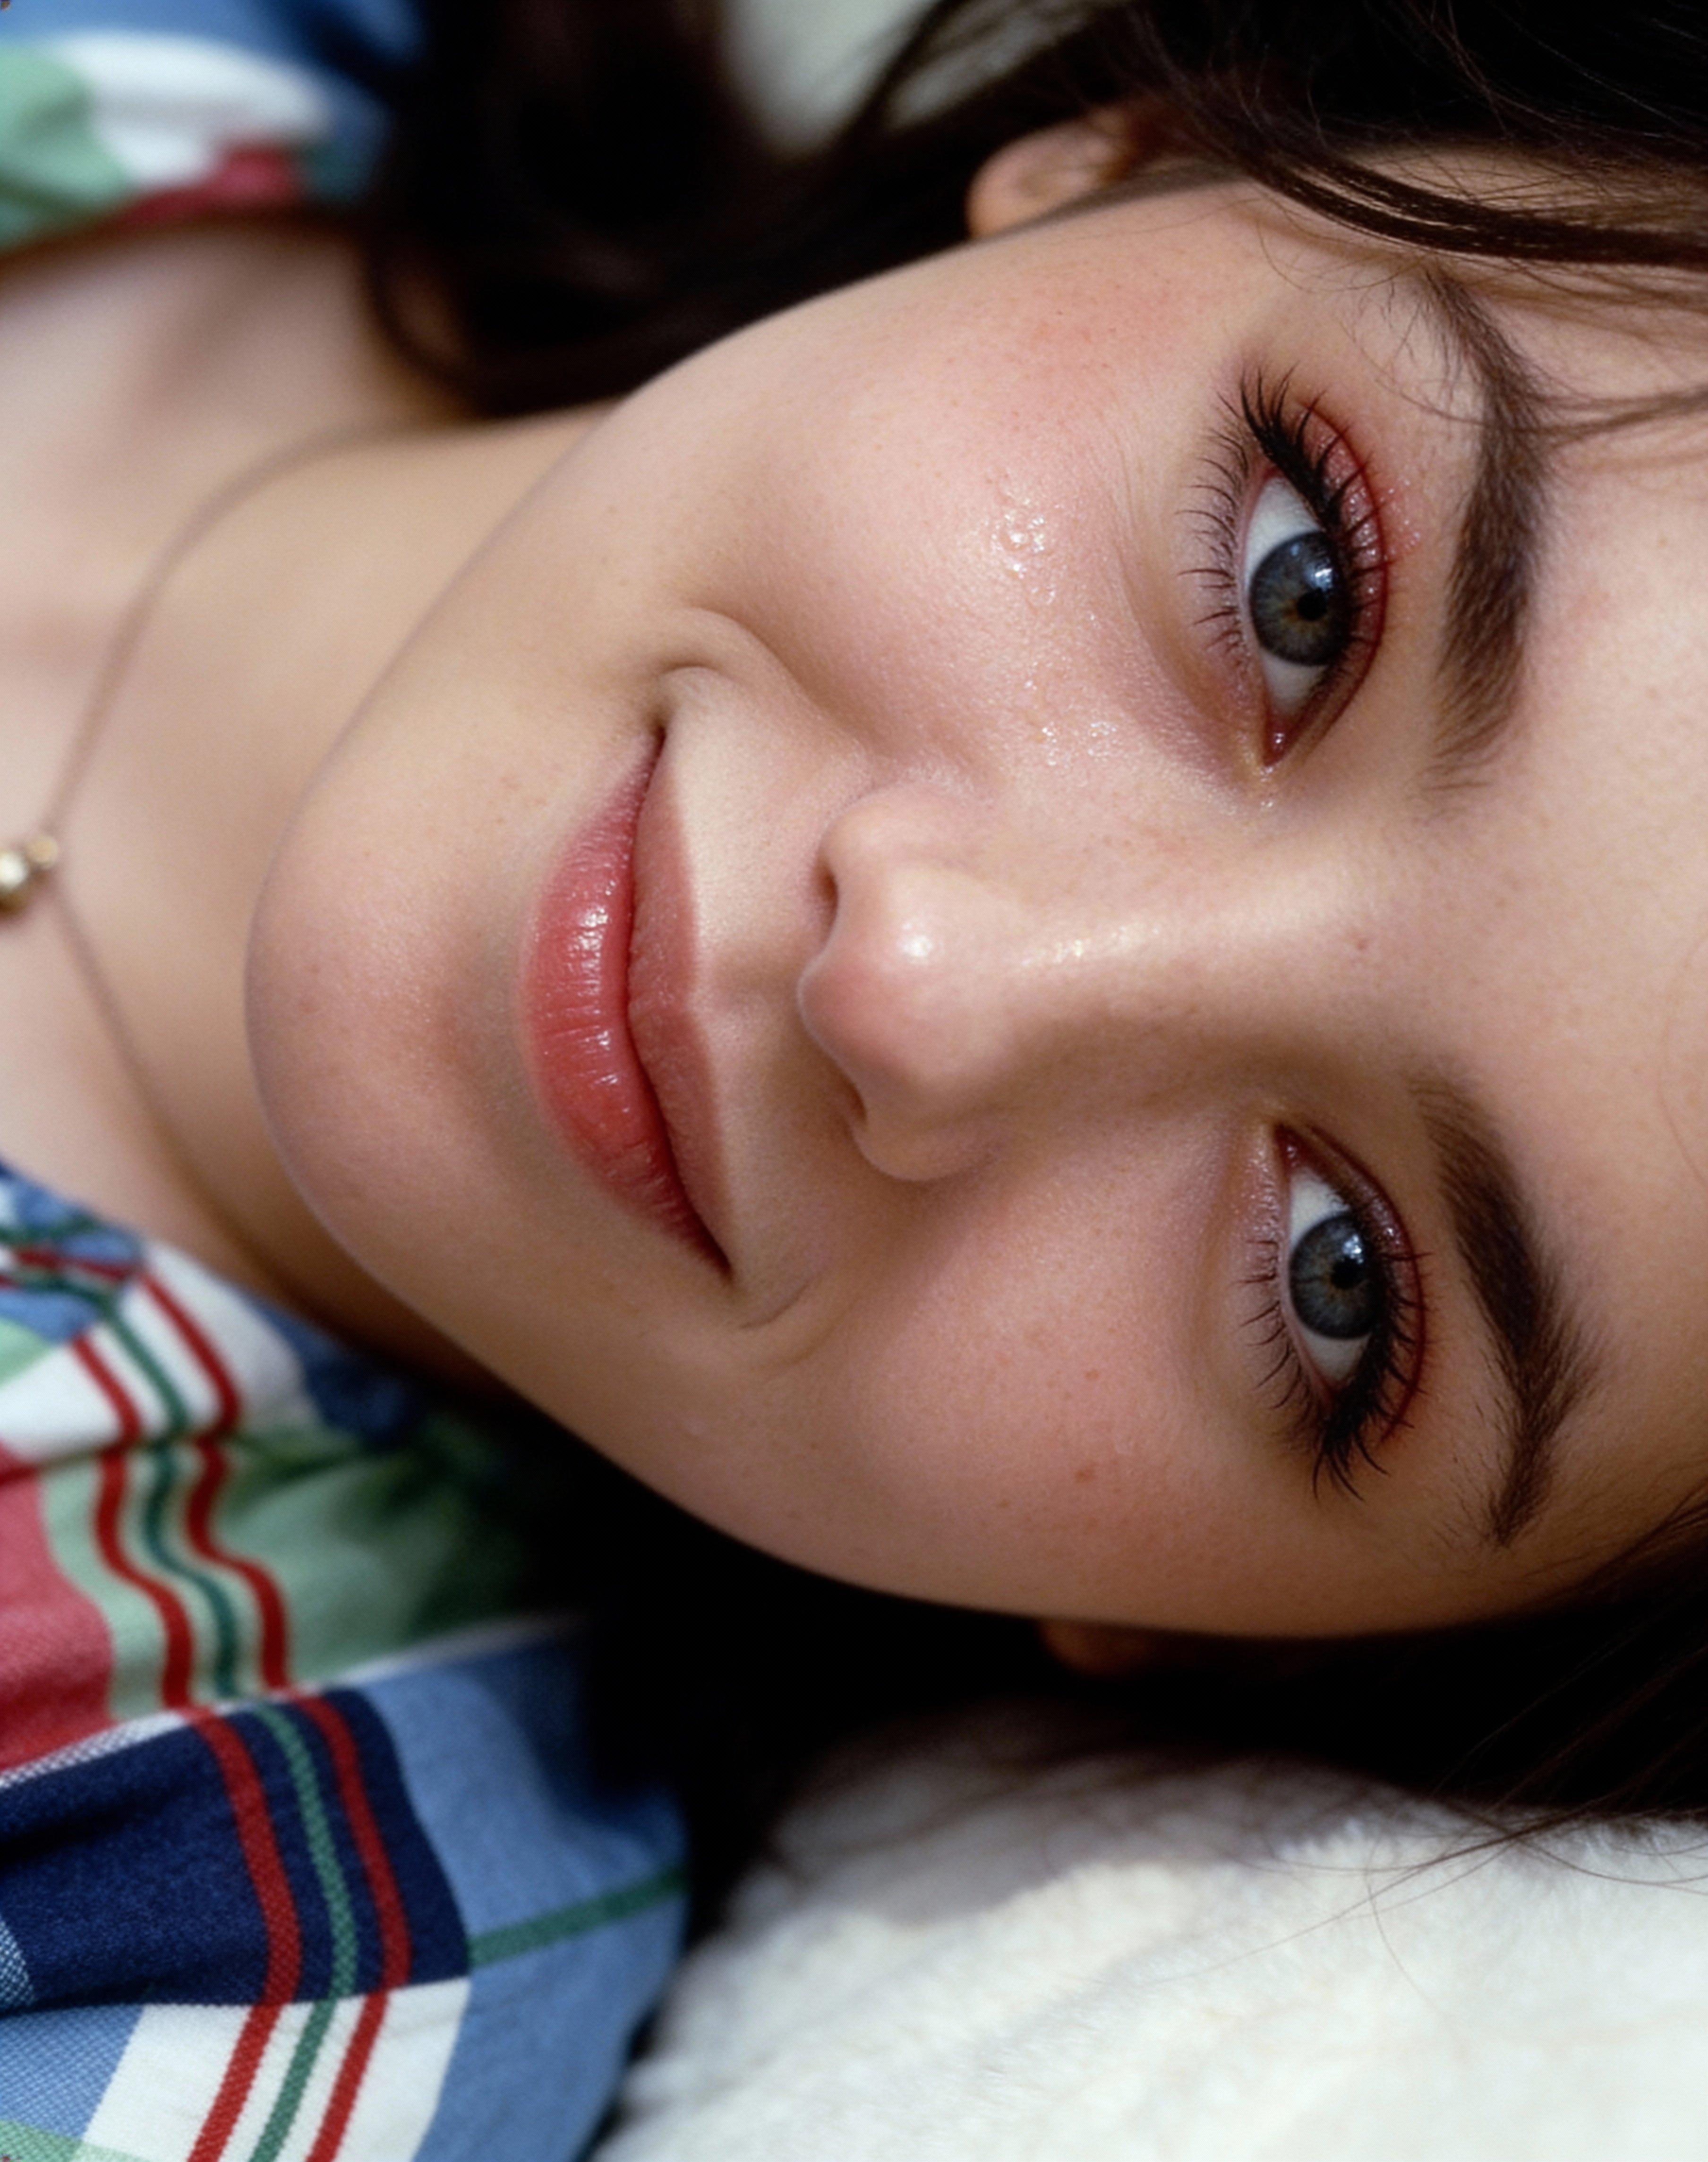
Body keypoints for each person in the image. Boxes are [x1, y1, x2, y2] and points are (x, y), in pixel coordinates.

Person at [5, 0, 1708, 2150]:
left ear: (1229, 1645)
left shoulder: (215, 1966)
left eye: (1335, 1274)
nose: (921, 982)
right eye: (1304, 588)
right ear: (1141, 148)